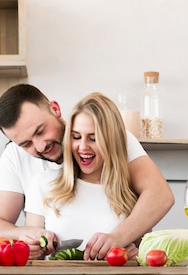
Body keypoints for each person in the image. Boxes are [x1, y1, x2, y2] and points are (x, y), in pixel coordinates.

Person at [0, 84, 174, 260]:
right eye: (26, 144)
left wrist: (120, 239)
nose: (40, 146)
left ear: (55, 110)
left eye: (40, 131)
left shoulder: (114, 138)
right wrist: (26, 236)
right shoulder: (19, 161)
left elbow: (159, 195)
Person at [24, 93, 141, 259]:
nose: (82, 147)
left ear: (111, 141)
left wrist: (134, 257)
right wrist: (33, 248)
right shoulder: (42, 184)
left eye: (93, 139)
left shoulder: (131, 193)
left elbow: (145, 258)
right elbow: (32, 264)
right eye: (76, 137)